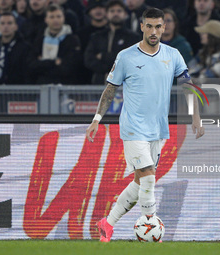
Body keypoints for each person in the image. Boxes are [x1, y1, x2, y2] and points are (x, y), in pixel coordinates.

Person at [85, 7, 204, 242]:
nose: (153, 31)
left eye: (158, 26)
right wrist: (96, 119)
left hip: (158, 129)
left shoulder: (173, 54)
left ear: (164, 28)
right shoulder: (126, 56)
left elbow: (188, 86)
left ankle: (107, 223)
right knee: (149, 176)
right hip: (132, 128)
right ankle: (150, 226)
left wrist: (196, 115)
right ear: (141, 27)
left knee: (140, 183)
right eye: (148, 26)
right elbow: (110, 90)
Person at [84, 0, 140, 85]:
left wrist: (102, 56)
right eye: (112, 11)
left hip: (125, 85)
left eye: (119, 11)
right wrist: (108, 68)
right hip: (99, 84)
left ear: (125, 14)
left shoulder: (133, 37)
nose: (115, 14)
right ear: (106, 14)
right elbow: (88, 59)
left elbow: (130, 60)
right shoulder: (97, 36)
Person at [27, 4, 81, 84]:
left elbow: (69, 68)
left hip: (66, 85)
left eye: (58, 16)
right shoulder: (39, 39)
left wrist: (43, 62)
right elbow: (31, 65)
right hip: (42, 86)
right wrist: (54, 62)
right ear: (46, 19)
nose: (55, 20)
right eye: (52, 17)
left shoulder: (73, 40)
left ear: (63, 18)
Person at [0, 12, 30, 84]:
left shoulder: (25, 48)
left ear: (16, 26)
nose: (5, 26)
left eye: (9, 23)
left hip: (17, 90)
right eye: (2, 23)